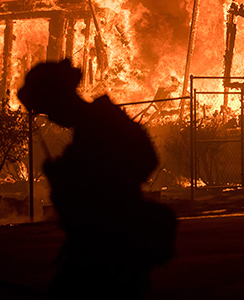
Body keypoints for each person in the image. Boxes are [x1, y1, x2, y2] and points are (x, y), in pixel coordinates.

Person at [17, 59, 176, 299]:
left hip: (114, 247)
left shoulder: (103, 123)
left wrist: (83, 179)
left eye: (49, 109)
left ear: (61, 99)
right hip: (94, 246)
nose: (50, 118)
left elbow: (146, 160)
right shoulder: (90, 129)